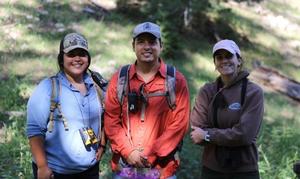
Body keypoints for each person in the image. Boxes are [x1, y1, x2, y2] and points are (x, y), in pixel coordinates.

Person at [104, 22, 190, 179]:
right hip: (126, 168)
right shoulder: (120, 79)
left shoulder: (176, 80)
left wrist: (152, 153)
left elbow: (180, 123)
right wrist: (128, 151)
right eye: (141, 42)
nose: (146, 47)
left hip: (161, 170)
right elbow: (111, 119)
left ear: (161, 46)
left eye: (152, 42)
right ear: (133, 46)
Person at [26, 32, 106, 179]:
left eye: (82, 54)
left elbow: (105, 117)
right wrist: (42, 167)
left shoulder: (97, 86)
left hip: (90, 170)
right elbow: (34, 130)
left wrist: (102, 145)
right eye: (71, 54)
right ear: (61, 59)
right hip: (56, 172)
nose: (77, 58)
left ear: (88, 58)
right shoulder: (47, 88)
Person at [190, 39, 264, 179]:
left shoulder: (253, 92)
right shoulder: (207, 91)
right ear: (215, 63)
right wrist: (230, 135)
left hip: (244, 170)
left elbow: (244, 135)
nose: (224, 60)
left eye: (229, 56)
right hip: (211, 169)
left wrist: (208, 135)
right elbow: (196, 133)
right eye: (219, 57)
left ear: (239, 61)